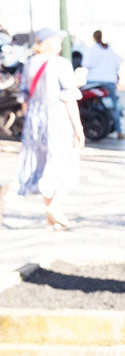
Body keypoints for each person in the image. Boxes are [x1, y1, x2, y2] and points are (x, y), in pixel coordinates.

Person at [14, 27, 83, 229]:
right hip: (57, 117)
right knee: (65, 161)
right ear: (49, 42)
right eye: (57, 40)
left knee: (44, 164)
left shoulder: (29, 63)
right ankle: (54, 206)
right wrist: (78, 127)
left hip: (35, 120)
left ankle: (50, 220)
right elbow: (69, 98)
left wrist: (30, 122)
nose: (60, 44)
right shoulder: (61, 64)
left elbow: (24, 97)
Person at [80, 29, 123, 138]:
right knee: (113, 106)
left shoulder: (92, 50)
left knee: (88, 103)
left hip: (94, 80)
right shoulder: (110, 50)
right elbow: (117, 64)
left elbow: (86, 64)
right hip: (110, 81)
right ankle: (119, 130)